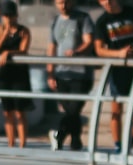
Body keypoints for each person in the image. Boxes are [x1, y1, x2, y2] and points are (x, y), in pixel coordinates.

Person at [94, 0, 133, 154]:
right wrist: (118, 54)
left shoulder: (131, 12)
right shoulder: (102, 21)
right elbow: (99, 50)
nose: (107, 2)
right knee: (116, 109)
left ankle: (129, 142)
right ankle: (118, 145)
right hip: (116, 70)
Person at [46, 0, 94, 151]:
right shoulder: (55, 21)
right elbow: (51, 47)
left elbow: (89, 41)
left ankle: (59, 135)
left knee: (73, 110)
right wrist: (50, 73)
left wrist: (77, 52)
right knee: (71, 112)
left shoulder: (83, 18)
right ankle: (75, 142)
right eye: (60, 2)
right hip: (61, 74)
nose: (63, 5)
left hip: (81, 74)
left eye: (66, 2)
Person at [0, 1, 32, 148]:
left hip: (20, 74)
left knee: (20, 112)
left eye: (10, 15)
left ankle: (22, 144)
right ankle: (11, 143)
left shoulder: (24, 31)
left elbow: (24, 49)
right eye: (5, 16)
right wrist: (4, 33)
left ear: (16, 15)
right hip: (5, 75)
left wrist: (9, 53)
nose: (8, 19)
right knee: (7, 111)